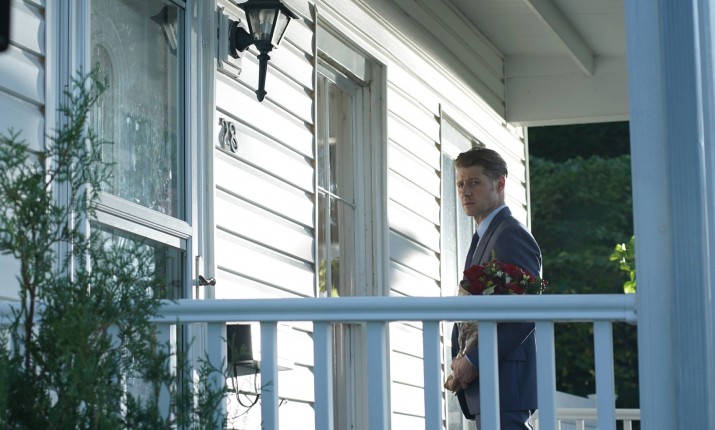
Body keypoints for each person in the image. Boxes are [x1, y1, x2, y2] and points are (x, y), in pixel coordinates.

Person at [448, 147, 542, 429]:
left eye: (475, 182)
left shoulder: (510, 234)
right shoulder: (485, 235)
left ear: (499, 184)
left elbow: (526, 313)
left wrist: (474, 359)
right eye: (461, 184)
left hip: (504, 380)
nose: (465, 192)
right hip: (489, 383)